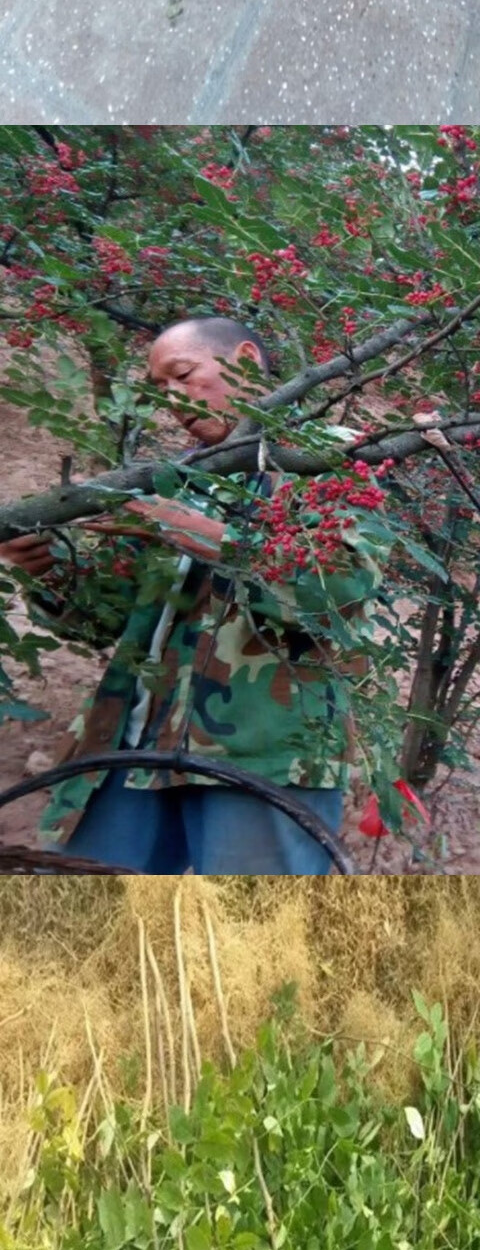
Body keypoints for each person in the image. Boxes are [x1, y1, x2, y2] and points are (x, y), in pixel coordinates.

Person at [0, 316, 386, 875]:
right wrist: (51, 571)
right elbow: (113, 619)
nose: (174, 398)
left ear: (246, 360)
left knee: (252, 945)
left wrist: (198, 533)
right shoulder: (177, 477)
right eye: (161, 389)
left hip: (261, 759)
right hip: (126, 748)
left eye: (183, 374)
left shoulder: (326, 462)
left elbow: (334, 598)